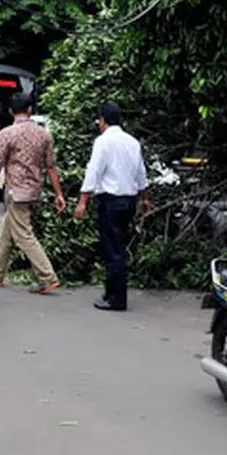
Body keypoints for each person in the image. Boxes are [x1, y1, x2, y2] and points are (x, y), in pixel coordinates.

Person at [0, 92, 65, 301]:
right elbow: (51, 167)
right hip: (34, 190)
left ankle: (47, 276)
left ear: (10, 111)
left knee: (24, 234)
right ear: (31, 110)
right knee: (9, 231)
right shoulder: (44, 135)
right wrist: (59, 194)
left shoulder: (6, 134)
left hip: (16, 191)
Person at [74, 102, 149, 312]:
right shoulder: (132, 142)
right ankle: (112, 291)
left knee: (112, 250)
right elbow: (141, 173)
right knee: (119, 246)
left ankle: (117, 299)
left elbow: (94, 171)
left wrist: (83, 201)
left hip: (111, 201)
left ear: (103, 120)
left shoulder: (103, 142)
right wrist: (144, 199)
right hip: (129, 200)